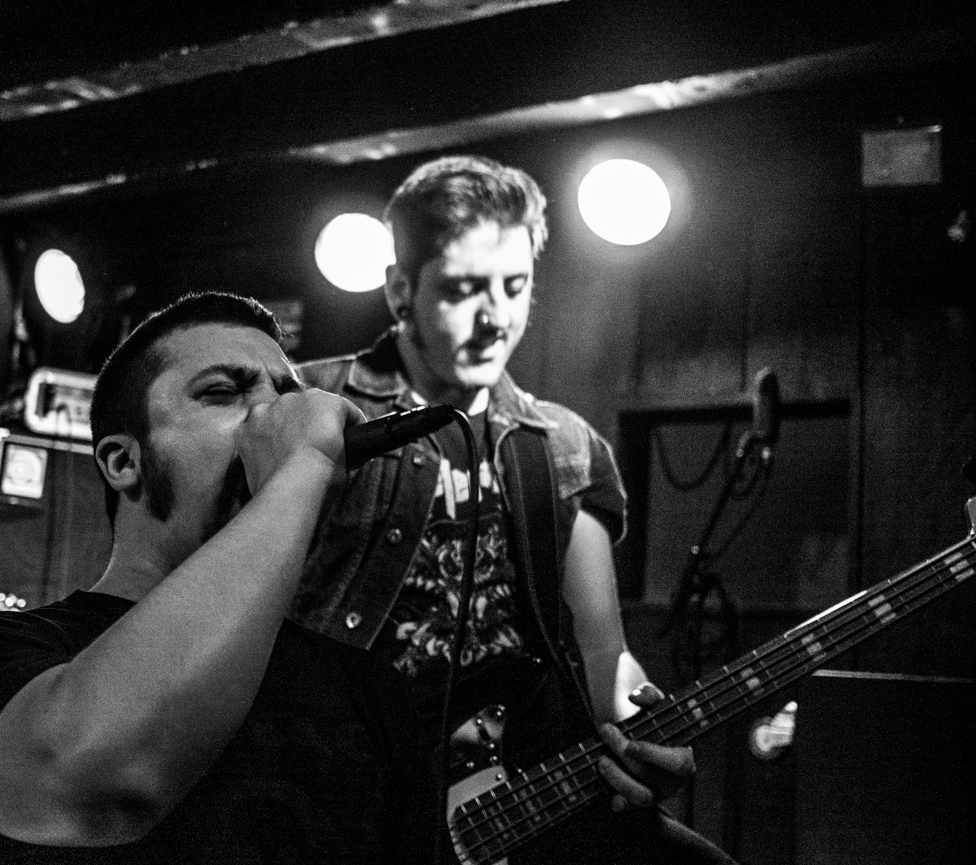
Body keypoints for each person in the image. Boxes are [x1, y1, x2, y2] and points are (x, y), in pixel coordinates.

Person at [292, 156, 736, 864]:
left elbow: (603, 654)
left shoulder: (564, 445)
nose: (494, 318)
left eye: (515, 286)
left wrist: (644, 729)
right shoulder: (312, 407)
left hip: (512, 793)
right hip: (342, 800)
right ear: (401, 289)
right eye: (462, 290)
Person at [0, 292, 437, 864]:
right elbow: (85, 787)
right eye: (223, 392)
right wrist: (304, 463)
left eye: (289, 399)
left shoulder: (369, 694)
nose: (275, 418)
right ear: (123, 461)